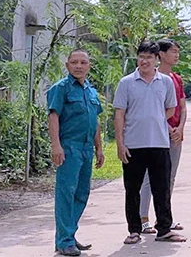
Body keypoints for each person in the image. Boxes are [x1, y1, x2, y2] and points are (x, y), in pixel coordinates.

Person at [113, 41, 185, 245]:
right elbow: (119, 114)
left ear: (156, 59)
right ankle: (134, 230)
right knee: (132, 189)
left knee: (162, 188)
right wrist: (120, 144)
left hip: (160, 143)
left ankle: (164, 229)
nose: (144, 61)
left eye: (149, 57)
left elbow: (171, 109)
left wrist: (154, 118)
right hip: (133, 144)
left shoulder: (165, 82)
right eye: (141, 57)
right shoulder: (126, 82)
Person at [46, 49, 105, 257]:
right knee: (66, 193)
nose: (78, 66)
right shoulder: (60, 89)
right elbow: (53, 117)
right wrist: (56, 145)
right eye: (74, 62)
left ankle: (68, 236)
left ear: (89, 65)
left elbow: (95, 121)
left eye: (83, 62)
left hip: (87, 148)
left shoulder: (91, 91)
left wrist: (99, 148)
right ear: (67, 65)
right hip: (69, 147)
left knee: (81, 193)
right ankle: (64, 241)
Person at [139, 39, 186, 234]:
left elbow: (181, 107)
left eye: (177, 52)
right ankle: (143, 218)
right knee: (150, 178)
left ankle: (164, 217)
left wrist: (180, 128)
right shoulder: (153, 78)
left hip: (175, 134)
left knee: (170, 177)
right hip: (157, 134)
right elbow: (152, 109)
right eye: (173, 51)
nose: (176, 55)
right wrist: (166, 127)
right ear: (162, 55)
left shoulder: (176, 79)